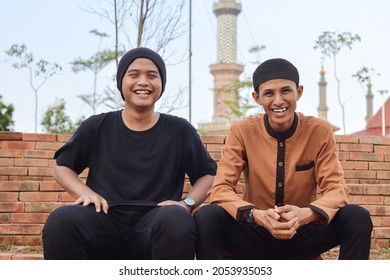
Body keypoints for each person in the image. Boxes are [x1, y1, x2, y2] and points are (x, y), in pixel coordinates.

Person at [42, 47, 217, 260]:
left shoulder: (179, 130)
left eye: (152, 76)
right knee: (62, 220)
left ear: (161, 84)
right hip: (103, 220)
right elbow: (62, 167)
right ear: (121, 82)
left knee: (177, 217)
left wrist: (187, 204)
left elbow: (208, 174)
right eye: (134, 75)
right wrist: (84, 192)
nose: (143, 82)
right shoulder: (98, 125)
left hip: (157, 223)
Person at [194, 58, 373, 260]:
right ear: (257, 98)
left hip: (302, 232)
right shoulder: (242, 131)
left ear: (299, 92)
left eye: (286, 91)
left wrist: (307, 214)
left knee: (357, 217)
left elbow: (337, 189)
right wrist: (257, 215)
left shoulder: (318, 131)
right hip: (255, 232)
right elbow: (220, 189)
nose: (278, 100)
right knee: (207, 216)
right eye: (269, 93)